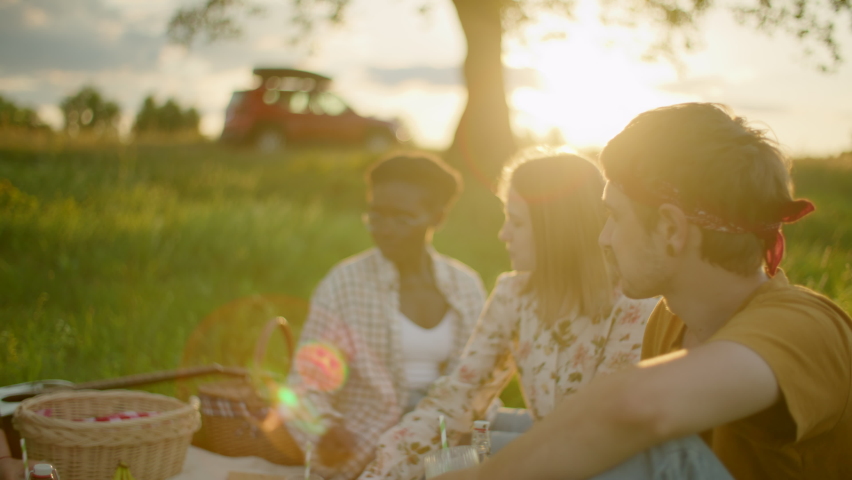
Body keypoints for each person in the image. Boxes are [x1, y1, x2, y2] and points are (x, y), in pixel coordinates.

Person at [432, 103, 852, 480]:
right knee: (462, 446)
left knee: (650, 450)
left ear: (671, 229)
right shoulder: (669, 320)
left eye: (614, 215)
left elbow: (633, 409)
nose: (604, 238)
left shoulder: (808, 326)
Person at [359, 150, 658, 480]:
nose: (503, 234)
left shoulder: (633, 304)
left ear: (555, 228)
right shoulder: (513, 294)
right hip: (546, 440)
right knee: (446, 438)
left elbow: (597, 432)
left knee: (464, 453)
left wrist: (477, 464)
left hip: (607, 462)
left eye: (516, 221)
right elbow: (460, 392)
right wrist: (381, 470)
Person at [281, 152, 487, 480]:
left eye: (402, 218)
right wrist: (324, 428)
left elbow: (481, 383)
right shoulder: (345, 283)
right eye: (376, 216)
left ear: (437, 217)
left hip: (450, 440)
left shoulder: (466, 286)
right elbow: (305, 383)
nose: (384, 230)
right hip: (367, 446)